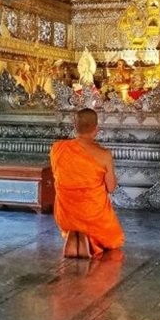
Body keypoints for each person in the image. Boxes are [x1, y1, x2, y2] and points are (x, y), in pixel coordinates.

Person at [49, 108, 124, 258]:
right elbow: (111, 188)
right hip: (92, 216)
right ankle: (89, 240)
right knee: (115, 239)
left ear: (74, 127)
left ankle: (76, 236)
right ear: (96, 129)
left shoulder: (57, 148)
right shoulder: (104, 155)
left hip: (65, 216)